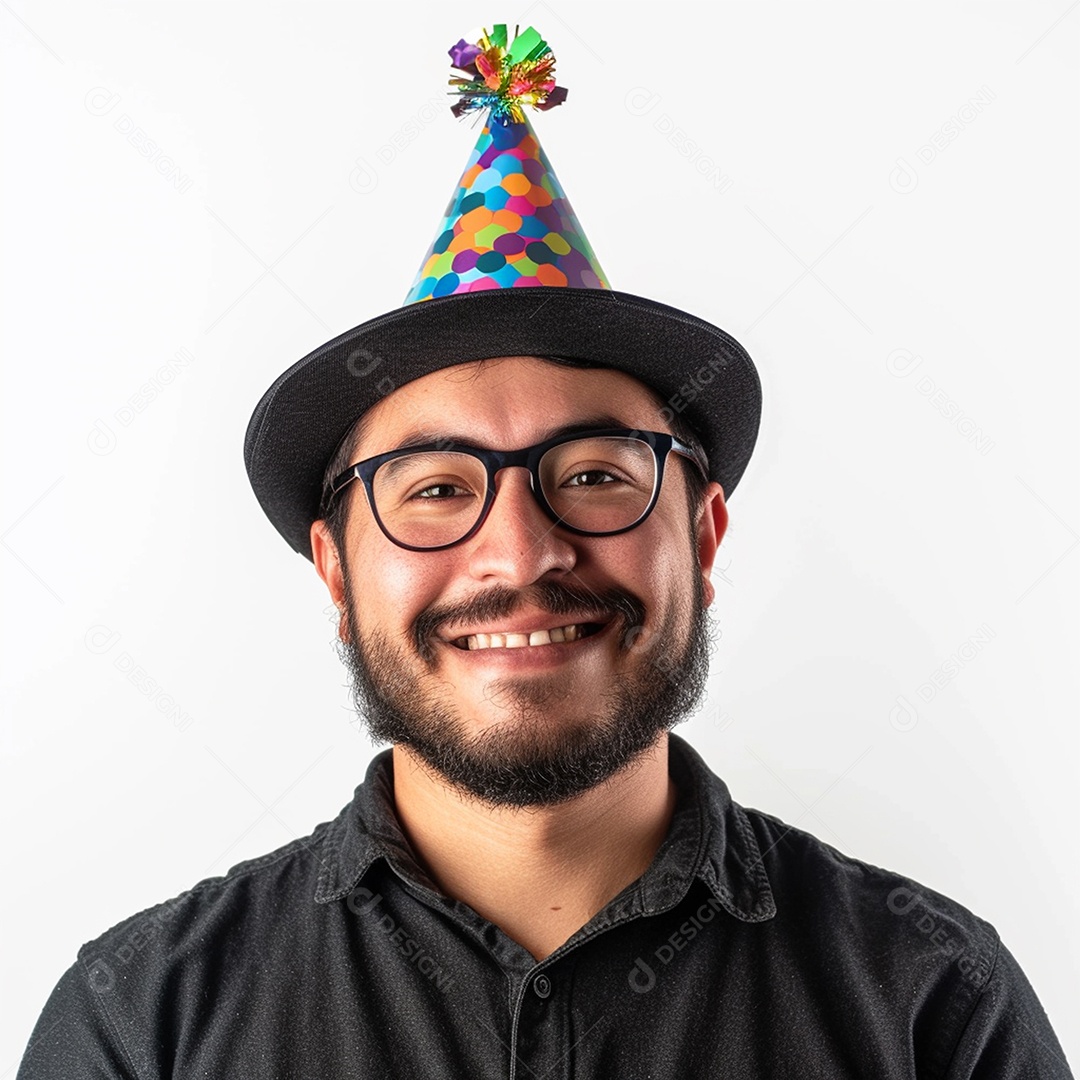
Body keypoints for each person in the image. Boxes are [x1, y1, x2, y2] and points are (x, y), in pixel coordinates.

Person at [16, 25, 1072, 1079]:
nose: (520, 555)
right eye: (436, 490)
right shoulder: (142, 1025)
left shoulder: (937, 1003)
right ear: (336, 571)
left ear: (701, 537)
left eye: (595, 479)